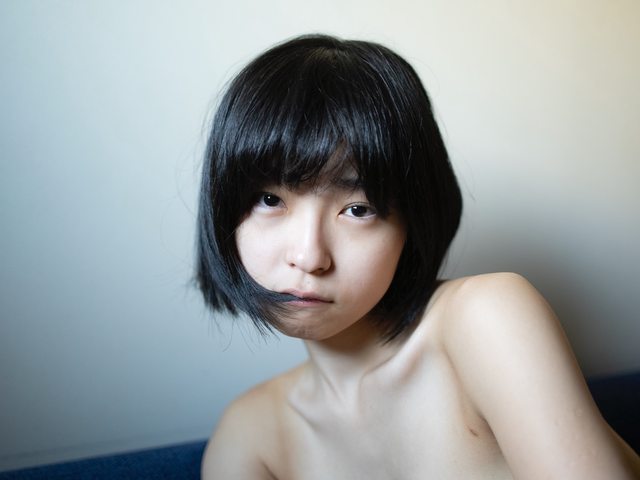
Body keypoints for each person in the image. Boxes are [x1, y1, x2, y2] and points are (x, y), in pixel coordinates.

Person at [196, 34, 640, 479]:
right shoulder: (249, 435)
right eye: (270, 200)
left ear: (413, 222)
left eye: (359, 209)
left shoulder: (487, 316)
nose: (309, 256)